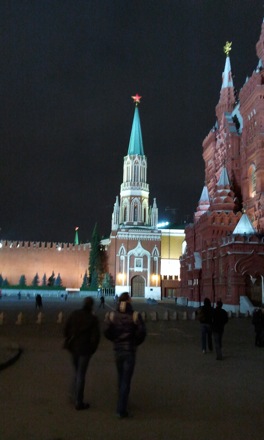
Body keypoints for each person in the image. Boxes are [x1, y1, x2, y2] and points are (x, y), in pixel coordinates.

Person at [104, 292, 146, 418]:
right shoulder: (135, 315)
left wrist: (115, 340)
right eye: (130, 298)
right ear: (128, 301)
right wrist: (134, 343)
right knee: (126, 379)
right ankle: (121, 409)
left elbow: (106, 331)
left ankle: (121, 401)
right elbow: (142, 332)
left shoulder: (112, 315)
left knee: (121, 376)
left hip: (118, 350)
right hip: (129, 351)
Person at [63, 297, 100, 410]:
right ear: (92, 305)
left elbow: (65, 329)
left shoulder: (75, 314)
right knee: (81, 374)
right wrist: (92, 349)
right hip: (85, 350)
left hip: (73, 348)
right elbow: (95, 337)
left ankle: (73, 394)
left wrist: (69, 338)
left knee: (77, 371)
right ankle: (79, 402)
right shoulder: (93, 318)